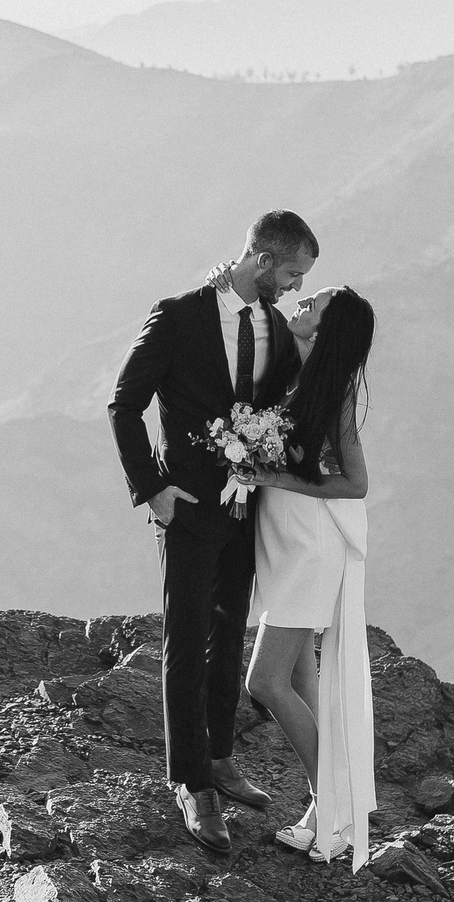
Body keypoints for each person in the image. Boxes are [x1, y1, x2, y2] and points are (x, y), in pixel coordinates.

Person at [108, 210, 317, 853]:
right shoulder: (179, 316)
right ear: (260, 260)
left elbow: (282, 404)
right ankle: (191, 783)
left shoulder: (274, 328)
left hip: (245, 510)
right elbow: (125, 402)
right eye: (290, 273)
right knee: (186, 636)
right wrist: (153, 489)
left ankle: (221, 758)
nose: (293, 286)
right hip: (188, 507)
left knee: (229, 633)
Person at [235, 284, 377, 868]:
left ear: (326, 328)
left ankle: (330, 805)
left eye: (312, 303)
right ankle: (335, 806)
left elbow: (356, 482)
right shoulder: (300, 374)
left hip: (310, 549)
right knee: (300, 678)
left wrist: (273, 478)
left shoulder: (334, 390)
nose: (301, 305)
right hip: (285, 543)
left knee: (264, 683)